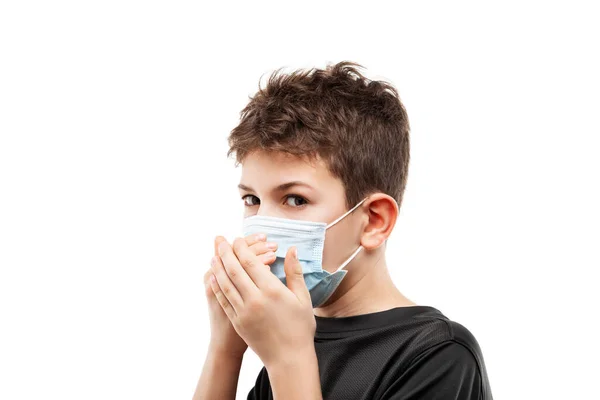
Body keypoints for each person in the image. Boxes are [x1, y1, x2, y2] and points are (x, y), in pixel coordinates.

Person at [193, 61, 493, 400]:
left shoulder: (437, 356)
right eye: (251, 199)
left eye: (294, 199)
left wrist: (290, 360)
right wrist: (225, 350)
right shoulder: (289, 338)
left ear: (374, 221)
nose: (262, 229)